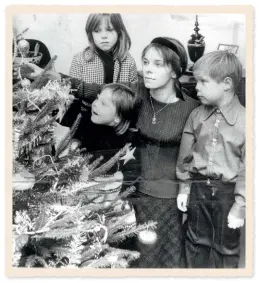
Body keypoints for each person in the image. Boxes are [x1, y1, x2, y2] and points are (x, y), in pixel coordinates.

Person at [19, 37, 199, 268]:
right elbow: (91, 89)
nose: (148, 70)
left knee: (165, 256)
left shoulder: (192, 107)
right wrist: (50, 77)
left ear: (175, 71)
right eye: (145, 62)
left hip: (167, 197)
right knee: (132, 254)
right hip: (129, 190)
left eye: (158, 64)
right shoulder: (137, 93)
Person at [176, 51, 245, 268]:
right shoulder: (196, 116)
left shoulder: (248, 121)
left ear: (226, 84)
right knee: (195, 242)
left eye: (203, 82)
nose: (196, 87)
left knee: (226, 249)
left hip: (228, 194)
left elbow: (250, 168)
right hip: (198, 189)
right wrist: (184, 188)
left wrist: (240, 205)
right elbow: (185, 156)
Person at [69, 13, 138, 84]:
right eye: (97, 31)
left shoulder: (129, 62)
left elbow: (134, 93)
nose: (104, 36)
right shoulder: (79, 60)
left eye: (110, 30)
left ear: (119, 32)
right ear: (91, 34)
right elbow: (72, 91)